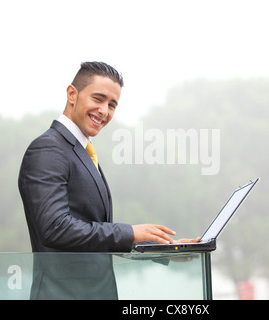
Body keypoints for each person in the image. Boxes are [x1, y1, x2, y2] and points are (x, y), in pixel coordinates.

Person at [18, 61, 198, 299]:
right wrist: (130, 232)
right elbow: (55, 228)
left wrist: (161, 249)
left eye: (112, 104)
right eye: (98, 99)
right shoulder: (48, 149)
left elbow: (92, 236)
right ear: (72, 94)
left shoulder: (80, 151)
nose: (104, 111)